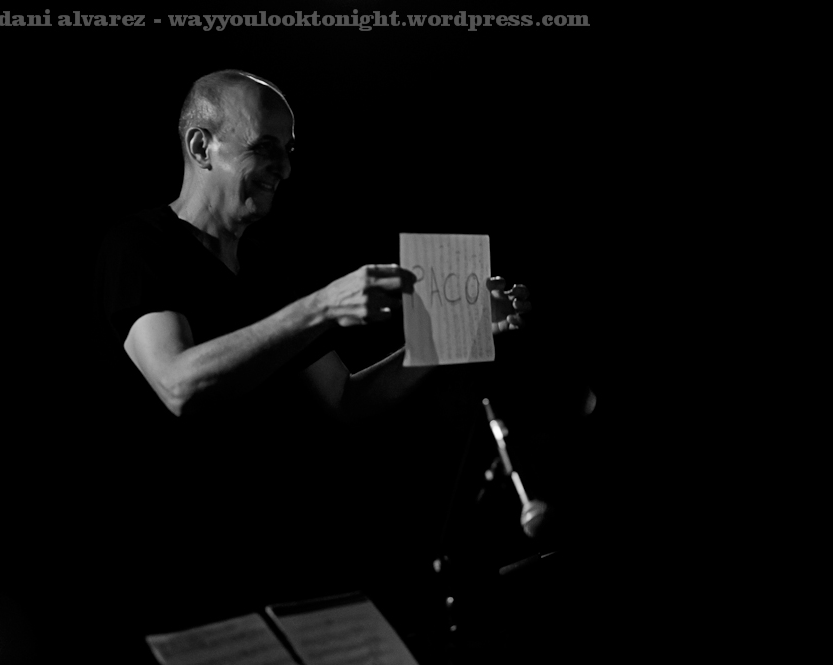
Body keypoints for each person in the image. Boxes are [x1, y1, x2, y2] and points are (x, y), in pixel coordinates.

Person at [94, 70, 532, 624]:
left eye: (290, 150)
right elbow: (178, 384)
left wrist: (459, 330)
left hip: (277, 560)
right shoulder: (140, 244)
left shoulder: (267, 270)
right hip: (176, 569)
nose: (284, 167)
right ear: (201, 146)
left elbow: (344, 398)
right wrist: (321, 306)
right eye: (265, 147)